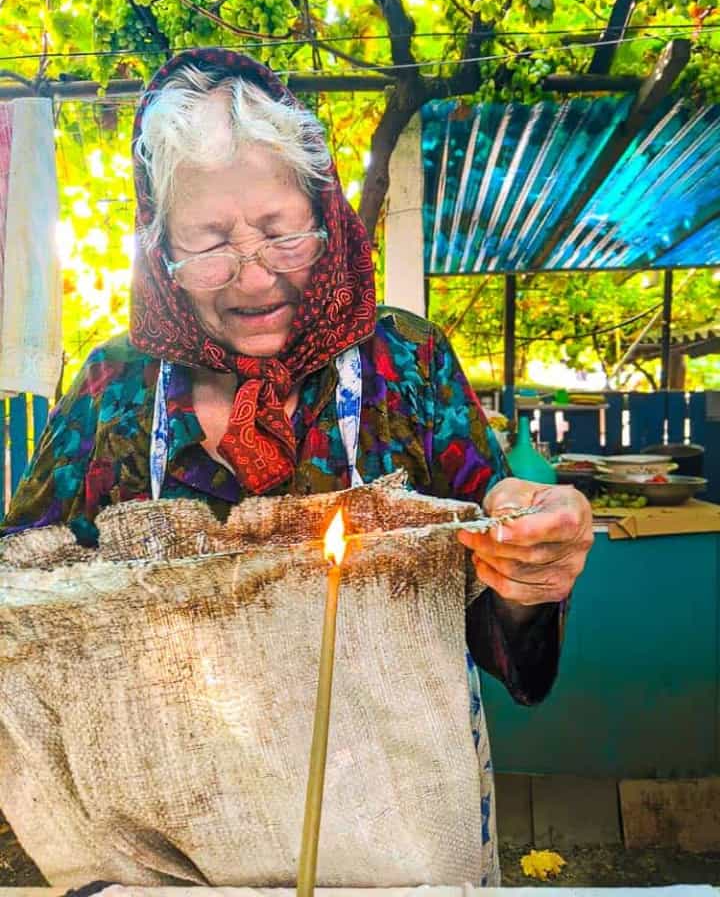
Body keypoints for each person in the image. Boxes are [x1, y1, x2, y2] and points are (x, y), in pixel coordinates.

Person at [2, 48, 593, 885]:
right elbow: (21, 611)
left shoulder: (407, 363)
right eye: (207, 243)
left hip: (394, 835)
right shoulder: (114, 385)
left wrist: (533, 573)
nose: (252, 273)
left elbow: (497, 627)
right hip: (171, 851)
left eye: (281, 231)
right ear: (158, 247)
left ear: (327, 212)